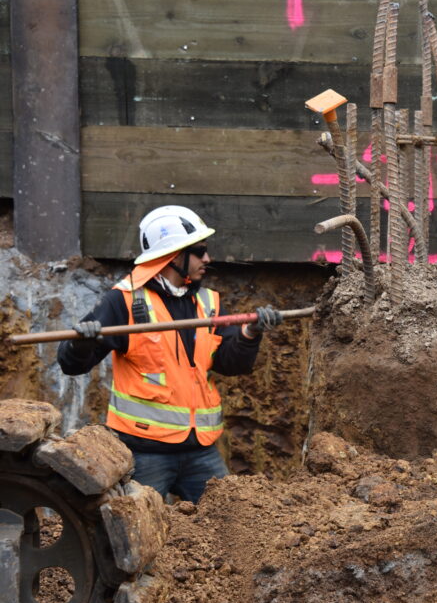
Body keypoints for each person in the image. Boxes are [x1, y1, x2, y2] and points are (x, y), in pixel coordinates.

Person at [58, 205, 283, 503]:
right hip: (143, 453)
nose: (208, 259)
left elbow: (230, 364)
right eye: (199, 251)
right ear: (173, 255)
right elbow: (72, 364)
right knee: (135, 536)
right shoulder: (123, 301)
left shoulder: (208, 302)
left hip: (200, 450)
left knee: (232, 523)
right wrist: (81, 342)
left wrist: (249, 334)